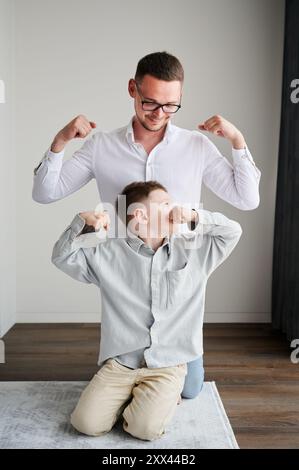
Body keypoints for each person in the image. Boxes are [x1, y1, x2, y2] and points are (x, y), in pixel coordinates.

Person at [32, 51, 261, 399]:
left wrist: (237, 142)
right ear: (132, 89)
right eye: (150, 102)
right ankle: (127, 367)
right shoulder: (101, 146)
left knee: (190, 390)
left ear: (180, 98)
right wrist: (60, 142)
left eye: (171, 106)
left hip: (179, 270)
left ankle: (165, 366)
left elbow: (247, 199)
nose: (159, 113)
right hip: (123, 268)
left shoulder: (196, 145)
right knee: (119, 382)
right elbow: (45, 193)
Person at [51, 180, 242, 441]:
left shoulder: (195, 250)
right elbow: (62, 257)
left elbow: (233, 231)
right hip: (122, 362)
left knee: (145, 430)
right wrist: (81, 222)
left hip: (168, 363)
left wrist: (195, 216)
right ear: (140, 214)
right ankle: (134, 395)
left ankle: (164, 393)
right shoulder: (107, 254)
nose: (174, 209)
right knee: (85, 424)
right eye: (165, 204)